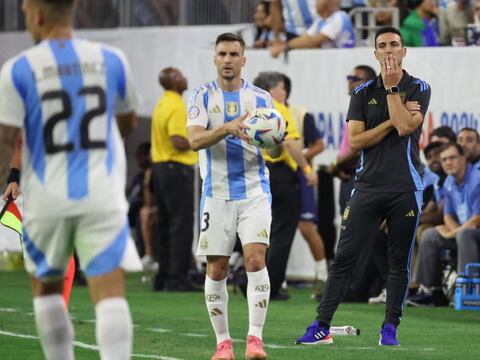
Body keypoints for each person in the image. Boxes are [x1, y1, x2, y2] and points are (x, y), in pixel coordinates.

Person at [0, 1, 139, 359]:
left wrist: (9, 178)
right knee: (109, 294)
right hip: (101, 193)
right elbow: (127, 124)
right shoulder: (112, 59)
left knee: (48, 292)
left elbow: (7, 139)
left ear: (38, 15)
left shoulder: (17, 70)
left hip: (47, 195)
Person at [295, 26, 431, 346]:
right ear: (374, 52)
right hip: (367, 186)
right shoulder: (361, 92)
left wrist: (394, 90)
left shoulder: (419, 87)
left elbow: (406, 127)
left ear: (403, 50)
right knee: (344, 258)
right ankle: (321, 325)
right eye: (382, 45)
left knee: (398, 262)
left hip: (405, 187)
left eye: (394, 44)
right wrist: (391, 118)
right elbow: (356, 140)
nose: (388, 50)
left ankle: (389, 329)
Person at [187, 33, 274, 360]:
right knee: (217, 269)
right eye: (222, 53)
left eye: (233, 53)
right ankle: (223, 343)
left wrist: (273, 140)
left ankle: (255, 339)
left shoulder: (261, 98)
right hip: (217, 194)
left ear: (243, 59)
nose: (227, 59)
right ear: (215, 58)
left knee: (255, 260)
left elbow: (276, 150)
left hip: (254, 191)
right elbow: (194, 141)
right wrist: (227, 128)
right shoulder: (201, 97)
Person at [252, 71, 318, 301]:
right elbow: (290, 142)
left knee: (262, 232)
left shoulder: (252, 110)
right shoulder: (279, 109)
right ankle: (271, 285)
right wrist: (307, 170)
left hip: (258, 175)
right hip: (281, 174)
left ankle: (251, 278)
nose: (284, 92)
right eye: (281, 88)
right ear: (271, 91)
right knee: (282, 232)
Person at [409, 143, 480, 306]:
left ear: (463, 158)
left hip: (474, 233)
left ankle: (469, 289)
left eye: (452, 158)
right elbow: (447, 216)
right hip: (463, 233)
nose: (447, 162)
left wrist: (451, 233)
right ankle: (430, 291)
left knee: (465, 234)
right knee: (430, 234)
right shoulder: (449, 181)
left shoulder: (477, 180)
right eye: (444, 159)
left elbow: (477, 219)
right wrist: (454, 231)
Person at [150, 67, 199, 292]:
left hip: (160, 168)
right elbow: (179, 140)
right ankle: (177, 278)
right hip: (177, 168)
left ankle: (163, 275)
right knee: (181, 225)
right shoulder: (177, 105)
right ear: (172, 82)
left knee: (165, 224)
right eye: (180, 75)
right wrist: (203, 139)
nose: (185, 77)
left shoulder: (162, 104)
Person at [281, 73, 328, 301]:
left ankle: (323, 277)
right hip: (276, 175)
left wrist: (303, 156)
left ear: (283, 90)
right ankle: (275, 279)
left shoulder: (300, 113)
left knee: (307, 226)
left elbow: (319, 144)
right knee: (274, 228)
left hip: (301, 174)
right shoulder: (263, 112)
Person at [270, 0, 355, 57]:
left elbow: (313, 41)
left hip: (344, 57)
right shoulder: (320, 21)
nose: (315, 3)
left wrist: (285, 46)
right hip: (331, 58)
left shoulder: (339, 17)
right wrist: (282, 45)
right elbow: (305, 38)